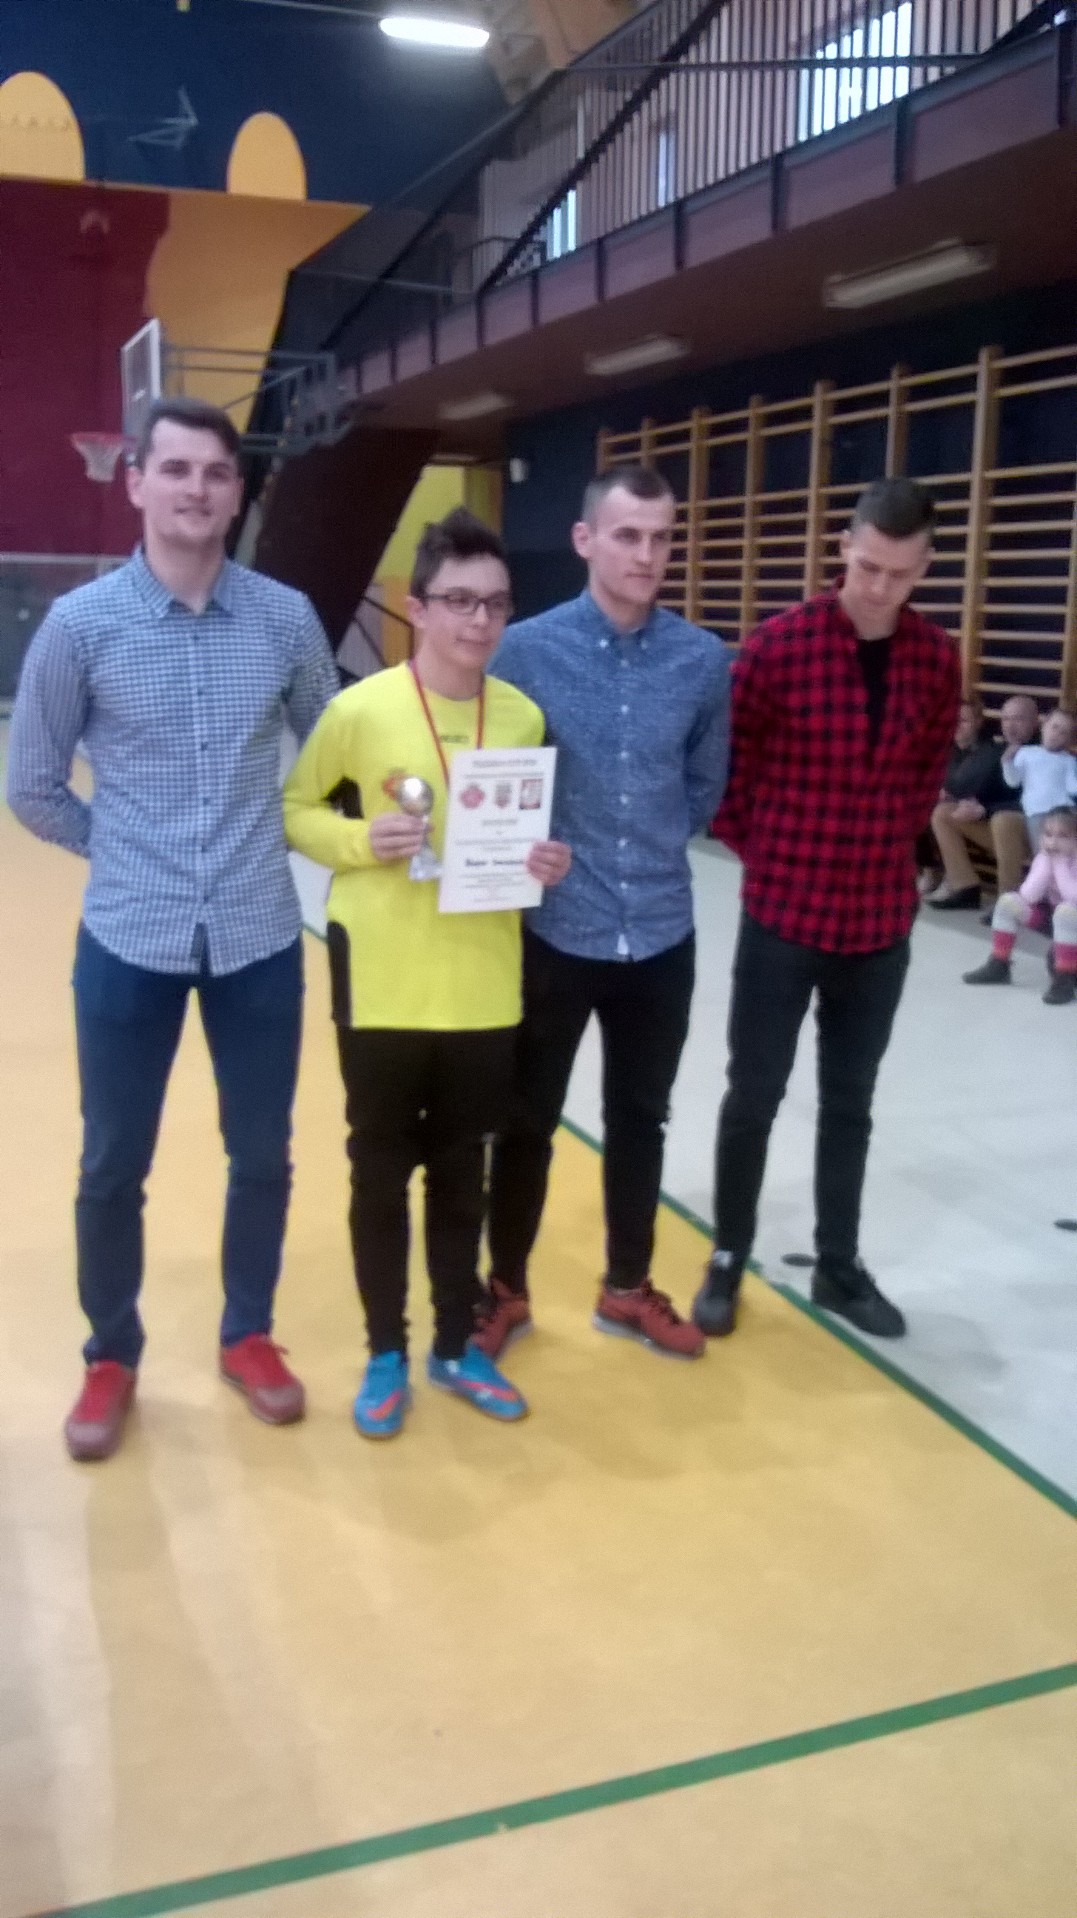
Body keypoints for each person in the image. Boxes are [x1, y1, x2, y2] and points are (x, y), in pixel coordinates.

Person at [6, 396, 340, 1461]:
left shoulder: (285, 620)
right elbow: (32, 783)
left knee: (263, 1152)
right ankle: (111, 1351)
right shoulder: (81, 627)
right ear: (137, 480)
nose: (197, 488)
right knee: (112, 1161)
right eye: (178, 468)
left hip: (258, 936)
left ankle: (248, 1333)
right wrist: (121, 851)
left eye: (216, 472)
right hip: (127, 941)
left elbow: (334, 755)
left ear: (238, 493)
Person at [282, 509, 571, 1437]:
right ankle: (383, 1352)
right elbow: (295, 810)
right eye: (458, 601)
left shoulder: (520, 715)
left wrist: (544, 863)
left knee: (459, 1173)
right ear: (418, 607)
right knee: (378, 1173)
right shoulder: (359, 710)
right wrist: (359, 840)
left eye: (494, 603)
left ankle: (453, 1345)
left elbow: (522, 836)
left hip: (482, 984)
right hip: (381, 981)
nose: (478, 621)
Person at [695, 477, 961, 1342]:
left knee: (851, 1102)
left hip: (877, 926)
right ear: (843, 547)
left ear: (924, 567)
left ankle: (837, 1265)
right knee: (753, 1093)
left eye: (898, 573)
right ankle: (727, 1254)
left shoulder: (936, 659)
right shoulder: (777, 647)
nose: (877, 587)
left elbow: (925, 775)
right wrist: (773, 857)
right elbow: (727, 778)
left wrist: (881, 852)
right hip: (782, 916)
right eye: (866, 566)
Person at [476, 463, 730, 1362]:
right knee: (526, 1119)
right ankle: (504, 1289)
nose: (645, 555)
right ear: (585, 539)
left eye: (660, 538)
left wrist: (647, 843)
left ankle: (626, 1287)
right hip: (555, 929)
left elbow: (703, 783)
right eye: (627, 535)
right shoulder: (522, 651)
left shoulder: (701, 660)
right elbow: (491, 776)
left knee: (640, 1117)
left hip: (660, 930)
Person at [926, 693, 1039, 909]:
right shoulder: (999, 751)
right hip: (999, 834)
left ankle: (1007, 902)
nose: (1010, 726)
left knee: (1003, 819)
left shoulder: (1044, 754)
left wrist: (984, 810)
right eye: (1006, 719)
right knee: (943, 812)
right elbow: (981, 789)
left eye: (1018, 719)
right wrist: (967, 802)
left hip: (1037, 837)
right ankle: (965, 887)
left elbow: (1037, 802)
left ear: (1035, 722)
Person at [963, 805, 1077, 1004]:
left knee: (1065, 912)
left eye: (1063, 836)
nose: (1053, 842)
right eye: (1048, 835)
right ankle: (999, 964)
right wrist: (1045, 864)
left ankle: (1064, 981)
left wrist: (1060, 866)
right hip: (1057, 921)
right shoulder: (1044, 858)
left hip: (1070, 918)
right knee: (1008, 902)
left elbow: (1073, 897)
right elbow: (1029, 895)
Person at [1000, 707, 1077, 847]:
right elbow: (1013, 781)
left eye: (1063, 733)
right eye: (1055, 727)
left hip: (1065, 810)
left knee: (1068, 847)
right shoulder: (1025, 753)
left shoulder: (1069, 760)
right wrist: (1007, 762)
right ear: (1044, 725)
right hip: (1036, 811)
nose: (1056, 734)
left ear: (1068, 739)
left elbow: (1072, 787)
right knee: (1042, 849)